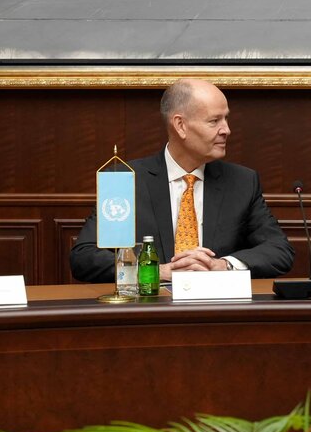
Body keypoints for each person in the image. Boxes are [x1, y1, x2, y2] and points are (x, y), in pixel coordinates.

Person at [70, 78, 294, 282]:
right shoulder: (126, 180)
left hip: (218, 306)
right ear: (180, 125)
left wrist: (223, 265)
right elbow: (84, 257)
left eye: (226, 118)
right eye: (214, 121)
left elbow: (279, 250)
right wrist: (155, 271)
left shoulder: (242, 182)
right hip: (150, 306)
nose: (226, 130)